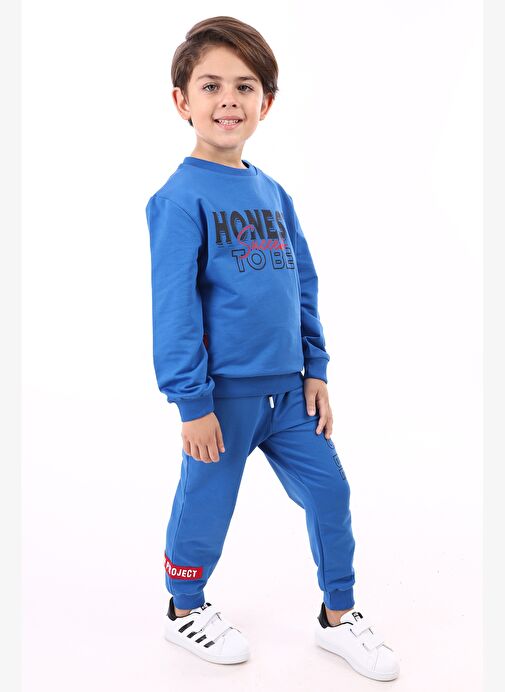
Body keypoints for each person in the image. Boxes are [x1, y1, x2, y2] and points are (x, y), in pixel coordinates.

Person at [145, 15, 400, 681]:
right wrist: (192, 403)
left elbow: (300, 284)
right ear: (182, 100)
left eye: (244, 86)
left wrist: (315, 368)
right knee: (206, 505)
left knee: (330, 493)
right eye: (210, 86)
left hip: (289, 394)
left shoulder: (272, 192)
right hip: (222, 398)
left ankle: (338, 616)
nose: (228, 99)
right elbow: (173, 309)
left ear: (267, 102)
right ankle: (183, 607)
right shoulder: (179, 199)